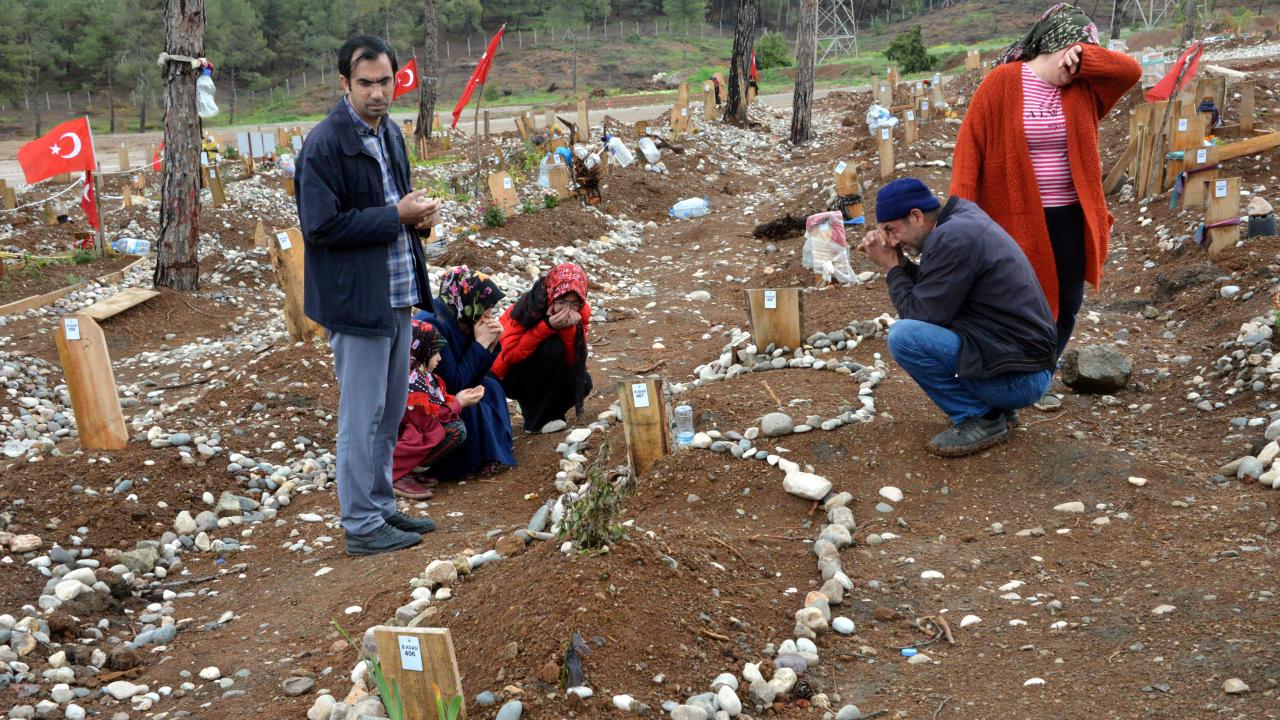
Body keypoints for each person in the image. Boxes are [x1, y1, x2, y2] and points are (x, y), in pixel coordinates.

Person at [950, 3, 1140, 409]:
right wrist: (959, 218)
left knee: (1067, 305)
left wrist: (1086, 58)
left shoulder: (1083, 87)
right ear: (1052, 45)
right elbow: (969, 152)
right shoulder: (1001, 83)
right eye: (1071, 53)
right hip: (1015, 217)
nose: (1072, 69)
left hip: (1071, 215)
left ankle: (1038, 375)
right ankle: (1011, 376)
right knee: (1022, 302)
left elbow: (1130, 72)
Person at [296, 35, 440, 556]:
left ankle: (380, 507)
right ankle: (360, 525)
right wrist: (394, 216)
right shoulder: (326, 143)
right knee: (361, 417)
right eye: (366, 83)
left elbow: (395, 210)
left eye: (386, 81)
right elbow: (319, 226)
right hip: (355, 301)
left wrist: (417, 223)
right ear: (344, 84)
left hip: (396, 293)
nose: (378, 92)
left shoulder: (392, 134)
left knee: (389, 409)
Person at [859, 178, 1058, 457]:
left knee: (904, 336)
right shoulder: (960, 221)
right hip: (1024, 367)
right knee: (919, 330)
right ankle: (996, 409)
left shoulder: (953, 237)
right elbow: (936, 290)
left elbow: (919, 314)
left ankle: (980, 417)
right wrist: (901, 263)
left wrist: (892, 266)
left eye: (891, 230)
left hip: (1020, 380)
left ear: (916, 216)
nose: (891, 241)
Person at [415, 266, 516, 479]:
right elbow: (453, 382)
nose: (488, 315)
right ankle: (471, 462)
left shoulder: (461, 315)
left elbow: (476, 373)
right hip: (430, 398)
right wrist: (480, 344)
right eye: (486, 308)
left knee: (492, 386)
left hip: (453, 384)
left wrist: (490, 346)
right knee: (471, 401)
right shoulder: (436, 323)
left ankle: (495, 453)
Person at [492, 263, 594, 433]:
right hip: (510, 374)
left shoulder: (582, 313)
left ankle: (541, 409)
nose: (567, 310)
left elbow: (573, 361)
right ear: (552, 295)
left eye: (574, 303)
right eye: (561, 302)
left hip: (546, 371)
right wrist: (546, 326)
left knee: (583, 382)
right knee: (552, 348)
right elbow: (510, 355)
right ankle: (536, 421)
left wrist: (568, 329)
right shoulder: (526, 308)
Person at [390, 319, 485, 499]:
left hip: (403, 433)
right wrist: (458, 403)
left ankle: (408, 470)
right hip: (400, 437)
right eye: (435, 353)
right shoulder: (412, 382)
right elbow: (427, 421)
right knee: (455, 430)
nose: (440, 358)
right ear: (421, 350)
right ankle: (398, 473)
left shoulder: (417, 374)